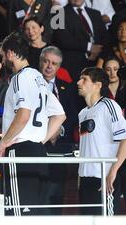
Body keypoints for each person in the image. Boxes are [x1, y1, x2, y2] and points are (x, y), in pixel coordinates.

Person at [0, 32, 66, 225]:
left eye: (4, 54)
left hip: (21, 151)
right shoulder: (40, 78)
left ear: (11, 54)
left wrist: (4, 142)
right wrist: (40, 139)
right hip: (37, 152)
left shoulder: (20, 78)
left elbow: (24, 114)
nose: (3, 59)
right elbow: (60, 115)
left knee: (25, 216)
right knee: (33, 215)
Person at [77, 67, 126, 215]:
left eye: (84, 79)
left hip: (104, 178)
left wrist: (112, 172)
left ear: (97, 85)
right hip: (86, 180)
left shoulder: (108, 105)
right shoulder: (83, 113)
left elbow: (124, 139)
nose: (78, 82)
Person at [40, 46, 79, 207]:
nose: (49, 66)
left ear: (59, 67)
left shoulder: (67, 88)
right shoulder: (30, 84)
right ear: (40, 61)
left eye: (54, 63)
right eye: (46, 61)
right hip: (37, 144)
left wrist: (59, 129)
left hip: (59, 147)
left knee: (56, 194)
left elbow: (72, 115)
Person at [52, 0, 109, 81]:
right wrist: (89, 47)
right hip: (73, 67)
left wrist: (98, 53)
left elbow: (106, 39)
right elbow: (61, 39)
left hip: (98, 64)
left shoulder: (95, 13)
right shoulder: (58, 13)